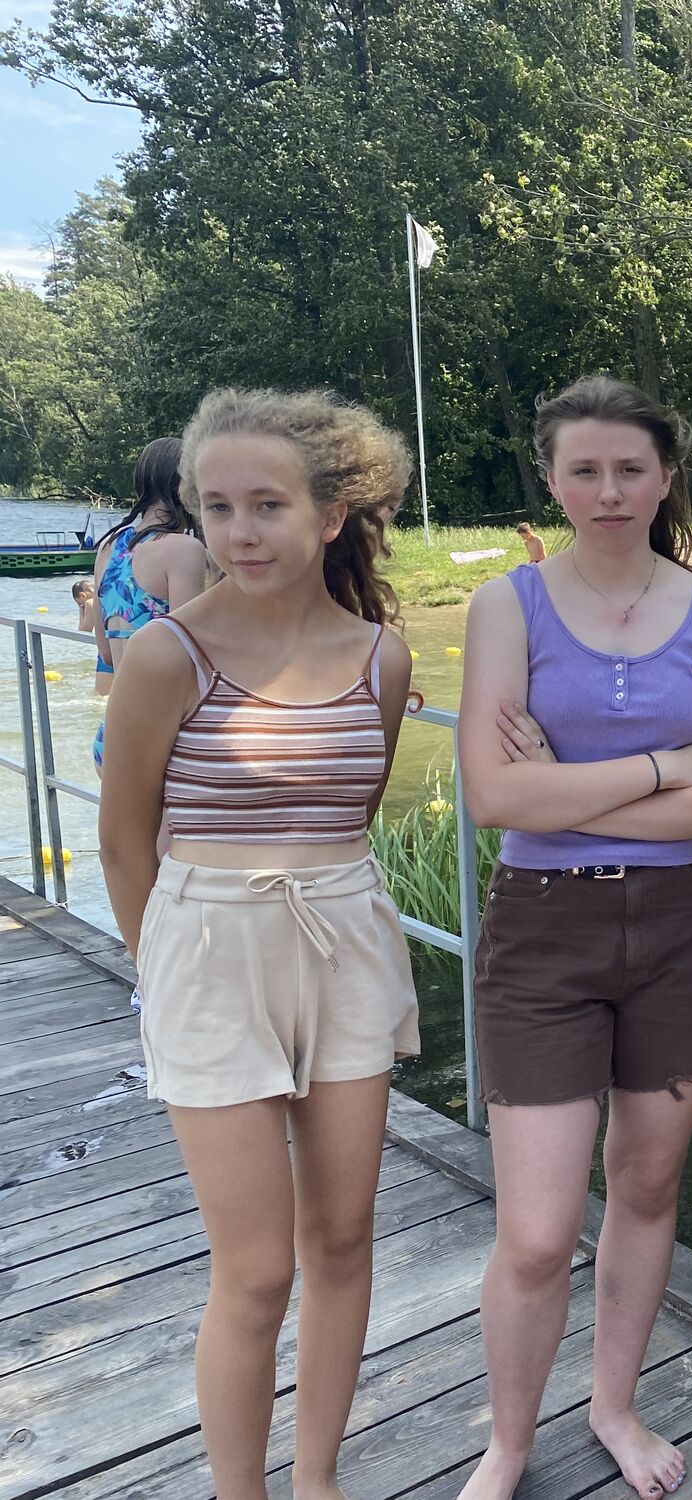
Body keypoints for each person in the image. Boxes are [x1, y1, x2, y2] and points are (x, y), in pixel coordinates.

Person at [97, 389, 422, 1500]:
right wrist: (162, 973)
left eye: (267, 505)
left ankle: (317, 1477)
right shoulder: (167, 656)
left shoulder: (381, 659)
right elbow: (124, 842)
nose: (240, 530)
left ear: (330, 515)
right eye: (218, 505)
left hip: (342, 942)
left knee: (341, 1240)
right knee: (253, 1270)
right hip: (207, 951)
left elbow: (351, 814)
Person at [455, 373, 692, 1500]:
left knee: (643, 1187)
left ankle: (614, 1405)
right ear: (551, 479)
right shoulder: (508, 606)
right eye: (583, 470)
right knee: (539, 1231)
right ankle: (507, 1443)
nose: (608, 490)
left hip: (682, 927)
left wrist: (570, 791)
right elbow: (495, 797)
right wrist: (662, 766)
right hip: (544, 930)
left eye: (630, 469)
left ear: (664, 476)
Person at [91, 437, 210, 769]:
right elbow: (190, 654)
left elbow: (105, 652)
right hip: (161, 738)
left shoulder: (109, 546)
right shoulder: (182, 549)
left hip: (113, 736)